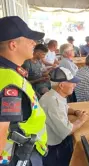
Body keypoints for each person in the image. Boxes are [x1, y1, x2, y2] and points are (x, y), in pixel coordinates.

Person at [0, 16, 48, 166]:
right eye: (29, 39)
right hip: (19, 156)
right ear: (13, 45)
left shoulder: (8, 73)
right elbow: (1, 128)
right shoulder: (10, 82)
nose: (34, 43)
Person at [39, 67, 88, 166]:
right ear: (61, 85)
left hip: (55, 143)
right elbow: (67, 131)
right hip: (53, 148)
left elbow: (64, 108)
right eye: (72, 82)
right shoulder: (53, 102)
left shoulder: (54, 95)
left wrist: (74, 112)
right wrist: (81, 120)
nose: (75, 85)